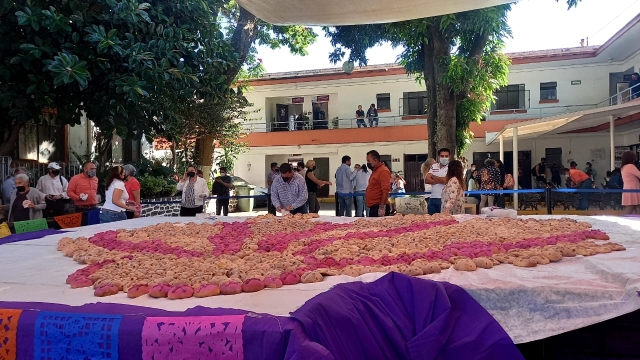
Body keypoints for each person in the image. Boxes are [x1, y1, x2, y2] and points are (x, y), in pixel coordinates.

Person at [365, 150, 392, 217]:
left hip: (378, 207)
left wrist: (381, 207)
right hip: (374, 207)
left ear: (376, 160)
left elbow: (385, 190)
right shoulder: (375, 171)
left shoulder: (383, 171)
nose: (368, 163)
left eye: (369, 161)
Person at [425, 148, 450, 215]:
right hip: (432, 198)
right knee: (431, 221)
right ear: (438, 157)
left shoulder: (450, 167)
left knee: (443, 222)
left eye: (446, 156)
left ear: (449, 157)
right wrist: (440, 180)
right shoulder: (434, 166)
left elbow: (445, 181)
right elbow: (427, 180)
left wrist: (433, 176)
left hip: (444, 199)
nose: (444, 158)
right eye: (442, 156)